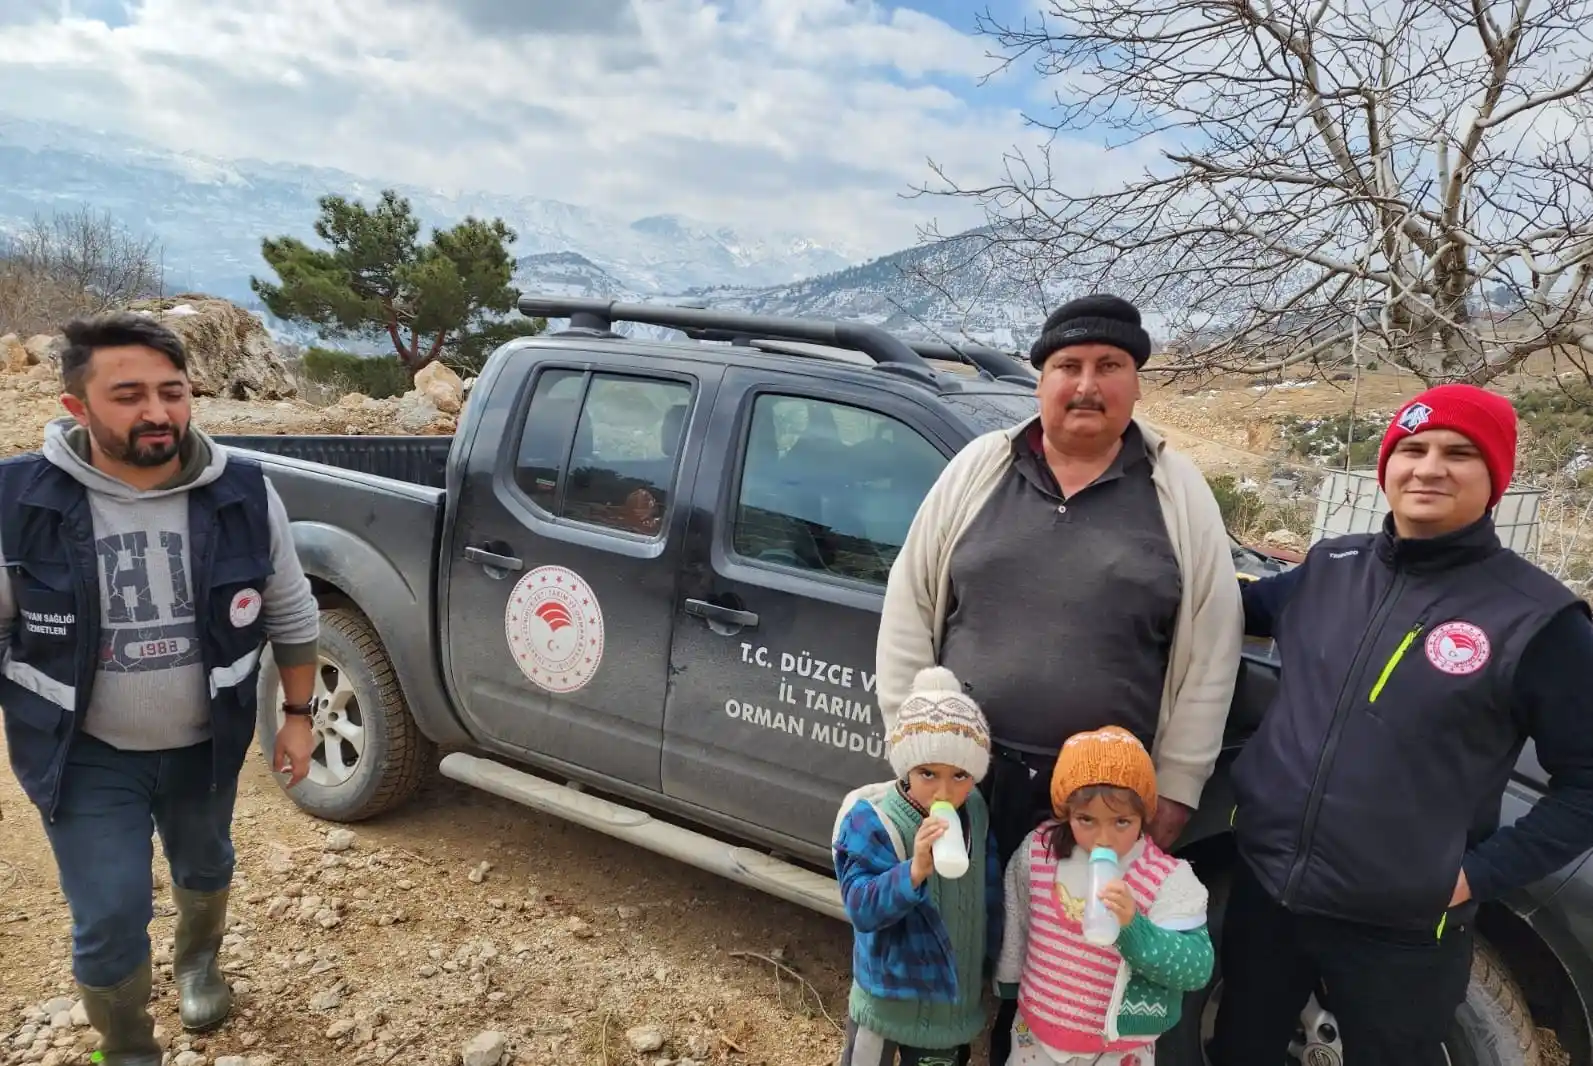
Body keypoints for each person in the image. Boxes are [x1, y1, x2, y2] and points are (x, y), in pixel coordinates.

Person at [875, 293, 1241, 1059]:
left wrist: (1174, 787)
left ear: (1135, 383)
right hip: (963, 787)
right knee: (932, 960)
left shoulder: (1175, 493)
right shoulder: (982, 467)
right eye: (1066, 366)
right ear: (1039, 380)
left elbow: (1212, 643)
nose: (1085, 384)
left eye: (1108, 366)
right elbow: (910, 603)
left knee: (1058, 981)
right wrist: (913, 756)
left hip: (1094, 809)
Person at [1208, 384, 1593, 1066]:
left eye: (1457, 453)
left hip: (1403, 924)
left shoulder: (1538, 619)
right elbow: (1216, 614)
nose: (1427, 467)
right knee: (1242, 1049)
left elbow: (1585, 786)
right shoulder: (1327, 568)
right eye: (1410, 449)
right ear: (1385, 466)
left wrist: (1473, 875)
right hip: (1269, 895)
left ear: (1494, 478)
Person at [0, 313, 322, 1066]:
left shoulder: (240, 489)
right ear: (77, 407)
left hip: (205, 743)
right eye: (129, 394)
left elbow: (291, 610)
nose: (157, 412)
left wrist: (299, 717)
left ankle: (198, 962)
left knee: (206, 865)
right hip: (85, 752)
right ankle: (130, 1050)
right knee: (109, 915)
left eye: (171, 391)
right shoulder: (18, 499)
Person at [996, 726, 1214, 1065]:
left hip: (1116, 1050)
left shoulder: (1164, 879)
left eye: (1121, 822)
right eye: (1086, 819)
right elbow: (1019, 913)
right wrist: (1008, 980)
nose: (1104, 838)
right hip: (1035, 1037)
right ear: (1066, 813)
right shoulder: (1040, 853)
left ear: (1145, 815)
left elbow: (1197, 968)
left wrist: (1133, 926)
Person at [832, 666, 1003, 1066]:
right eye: (928, 774)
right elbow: (860, 906)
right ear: (906, 766)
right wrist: (913, 871)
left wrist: (994, 960)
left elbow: (988, 891)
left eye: (960, 775)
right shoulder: (873, 819)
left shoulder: (974, 811)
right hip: (885, 1002)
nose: (945, 791)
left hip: (950, 1008)